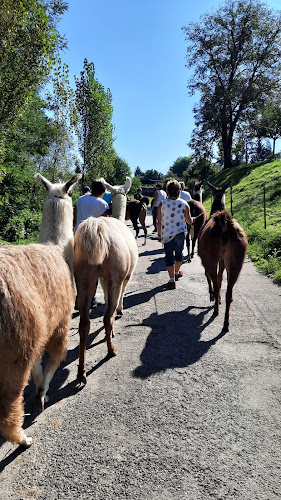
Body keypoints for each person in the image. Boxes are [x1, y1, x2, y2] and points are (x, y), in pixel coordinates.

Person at [157, 179, 196, 290]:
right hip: (180, 234)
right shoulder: (184, 204)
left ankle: (172, 280)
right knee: (179, 255)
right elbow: (189, 221)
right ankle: (177, 272)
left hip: (166, 234)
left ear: (167, 191)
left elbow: (159, 221)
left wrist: (159, 235)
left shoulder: (162, 204)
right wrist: (192, 220)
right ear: (179, 191)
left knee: (169, 257)